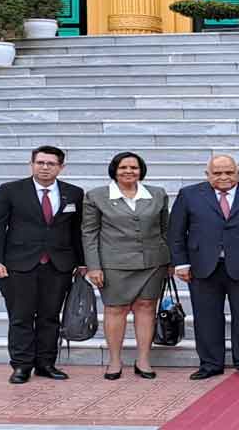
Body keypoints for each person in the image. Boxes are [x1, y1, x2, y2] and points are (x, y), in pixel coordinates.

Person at [168, 155, 239, 381]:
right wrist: (181, 263)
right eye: (217, 173)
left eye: (229, 172)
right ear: (207, 174)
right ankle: (210, 363)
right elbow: (176, 232)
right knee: (206, 317)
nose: (224, 177)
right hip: (203, 267)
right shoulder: (189, 195)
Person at [0, 145, 85, 384]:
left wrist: (81, 263)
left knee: (50, 317)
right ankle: (21, 365)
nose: (45, 167)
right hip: (18, 265)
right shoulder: (11, 190)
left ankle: (46, 363)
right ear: (32, 164)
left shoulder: (74, 193)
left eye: (51, 163)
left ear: (61, 167)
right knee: (20, 316)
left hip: (58, 265)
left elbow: (77, 231)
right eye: (40, 163)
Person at [82, 152, 171, 381]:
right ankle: (114, 361)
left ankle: (143, 360)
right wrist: (94, 266)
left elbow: (165, 229)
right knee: (115, 309)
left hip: (152, 262)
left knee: (146, 307)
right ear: (114, 170)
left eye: (134, 167)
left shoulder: (157, 194)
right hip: (113, 264)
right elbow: (89, 232)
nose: (129, 171)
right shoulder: (96, 196)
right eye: (123, 167)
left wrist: (171, 261)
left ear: (141, 170)